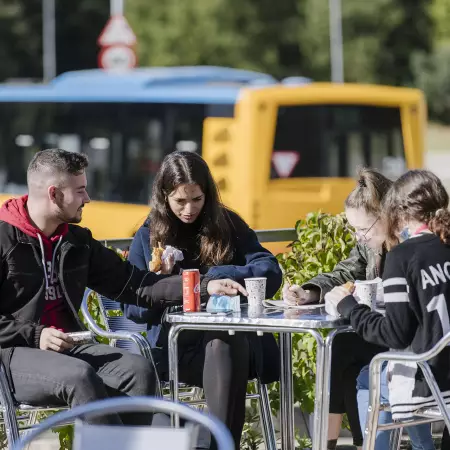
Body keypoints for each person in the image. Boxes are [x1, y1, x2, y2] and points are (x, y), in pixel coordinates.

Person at [0, 148, 245, 425]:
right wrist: (35, 335)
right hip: (11, 354)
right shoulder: (4, 238)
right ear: (54, 194)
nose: (87, 198)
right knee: (79, 377)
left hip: (67, 350)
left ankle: (144, 442)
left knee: (138, 370)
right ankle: (120, 442)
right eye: (80, 191)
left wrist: (203, 286)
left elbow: (137, 284)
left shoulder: (77, 242)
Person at [123, 151, 282, 449]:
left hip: (234, 346)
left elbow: (270, 270)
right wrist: (163, 284)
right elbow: (132, 308)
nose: (189, 209)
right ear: (164, 196)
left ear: (207, 194)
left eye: (197, 199)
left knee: (225, 338)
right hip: (176, 349)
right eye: (180, 201)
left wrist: (218, 276)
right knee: (226, 342)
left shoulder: (227, 224)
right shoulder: (149, 236)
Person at [326, 169, 448, 450]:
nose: (359, 236)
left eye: (362, 229)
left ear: (395, 211)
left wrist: (350, 308)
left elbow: (396, 335)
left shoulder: (402, 256)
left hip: (431, 378)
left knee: (367, 377)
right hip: (442, 368)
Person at [283, 168, 390, 449]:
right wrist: (308, 292)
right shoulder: (371, 245)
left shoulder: (407, 247)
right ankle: (333, 443)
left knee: (346, 349)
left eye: (363, 229)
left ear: (386, 215)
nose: (359, 237)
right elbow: (344, 272)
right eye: (354, 230)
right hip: (381, 329)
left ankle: (345, 444)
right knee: (341, 347)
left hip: (405, 337)